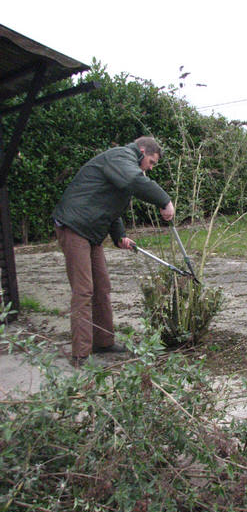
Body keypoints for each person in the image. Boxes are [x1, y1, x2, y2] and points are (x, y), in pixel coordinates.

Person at [52, 136, 174, 367]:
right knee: (84, 290)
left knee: (103, 286)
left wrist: (119, 237)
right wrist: (164, 200)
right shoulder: (120, 157)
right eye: (151, 161)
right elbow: (135, 182)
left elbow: (112, 207)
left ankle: (104, 342)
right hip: (75, 227)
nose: (150, 167)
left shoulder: (123, 165)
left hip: (91, 231)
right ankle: (80, 355)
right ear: (141, 150)